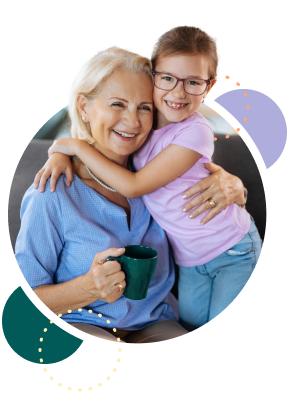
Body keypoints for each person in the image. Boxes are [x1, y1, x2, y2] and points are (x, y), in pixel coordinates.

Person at [35, 26, 262, 332]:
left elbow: (144, 182)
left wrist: (238, 188)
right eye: (117, 104)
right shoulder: (54, 190)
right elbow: (27, 295)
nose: (133, 121)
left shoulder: (182, 138)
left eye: (143, 108)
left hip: (219, 259)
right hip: (97, 317)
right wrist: (59, 151)